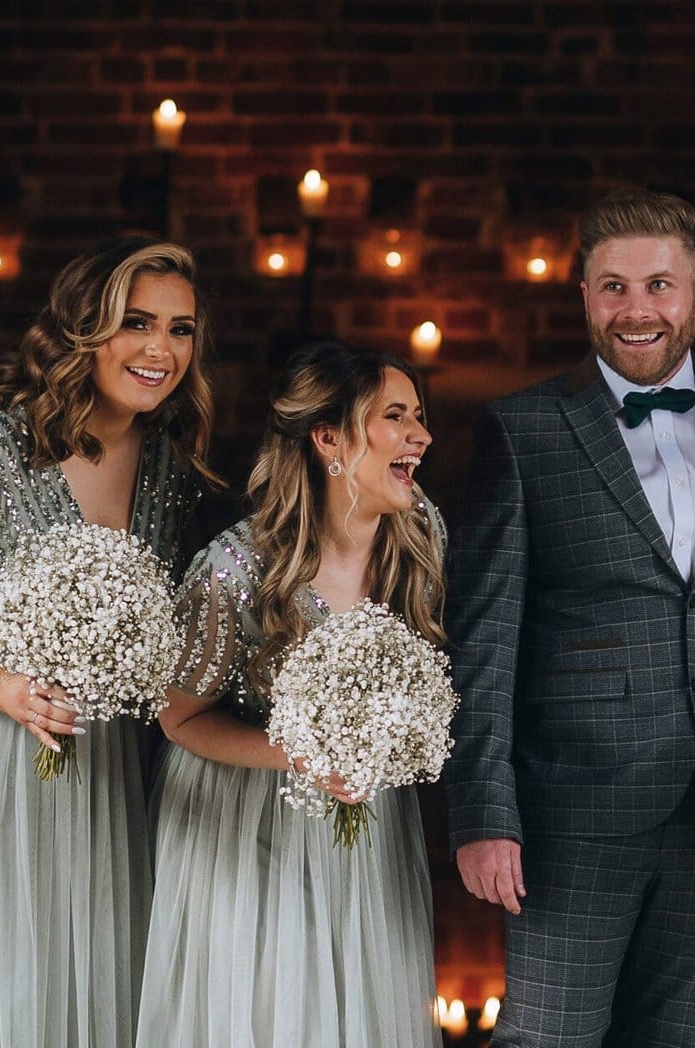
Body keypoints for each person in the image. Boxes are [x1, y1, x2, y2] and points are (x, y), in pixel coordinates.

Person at [444, 186, 695, 1048]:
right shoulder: (523, 429)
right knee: (548, 1033)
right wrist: (483, 812)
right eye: (613, 287)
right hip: (572, 807)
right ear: (583, 297)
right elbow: (485, 636)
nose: (636, 309)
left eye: (659, 284)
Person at [0, 237, 214, 1046]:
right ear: (81, 330)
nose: (161, 349)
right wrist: (6, 689)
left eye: (181, 329)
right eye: (136, 323)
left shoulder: (169, 470)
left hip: (96, 762)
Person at [137, 342, 445, 1046]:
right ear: (329, 438)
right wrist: (301, 755)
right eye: (395, 417)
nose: (420, 437)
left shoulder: (420, 540)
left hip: (367, 827)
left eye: (419, 417)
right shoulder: (235, 571)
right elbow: (178, 717)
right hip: (245, 825)